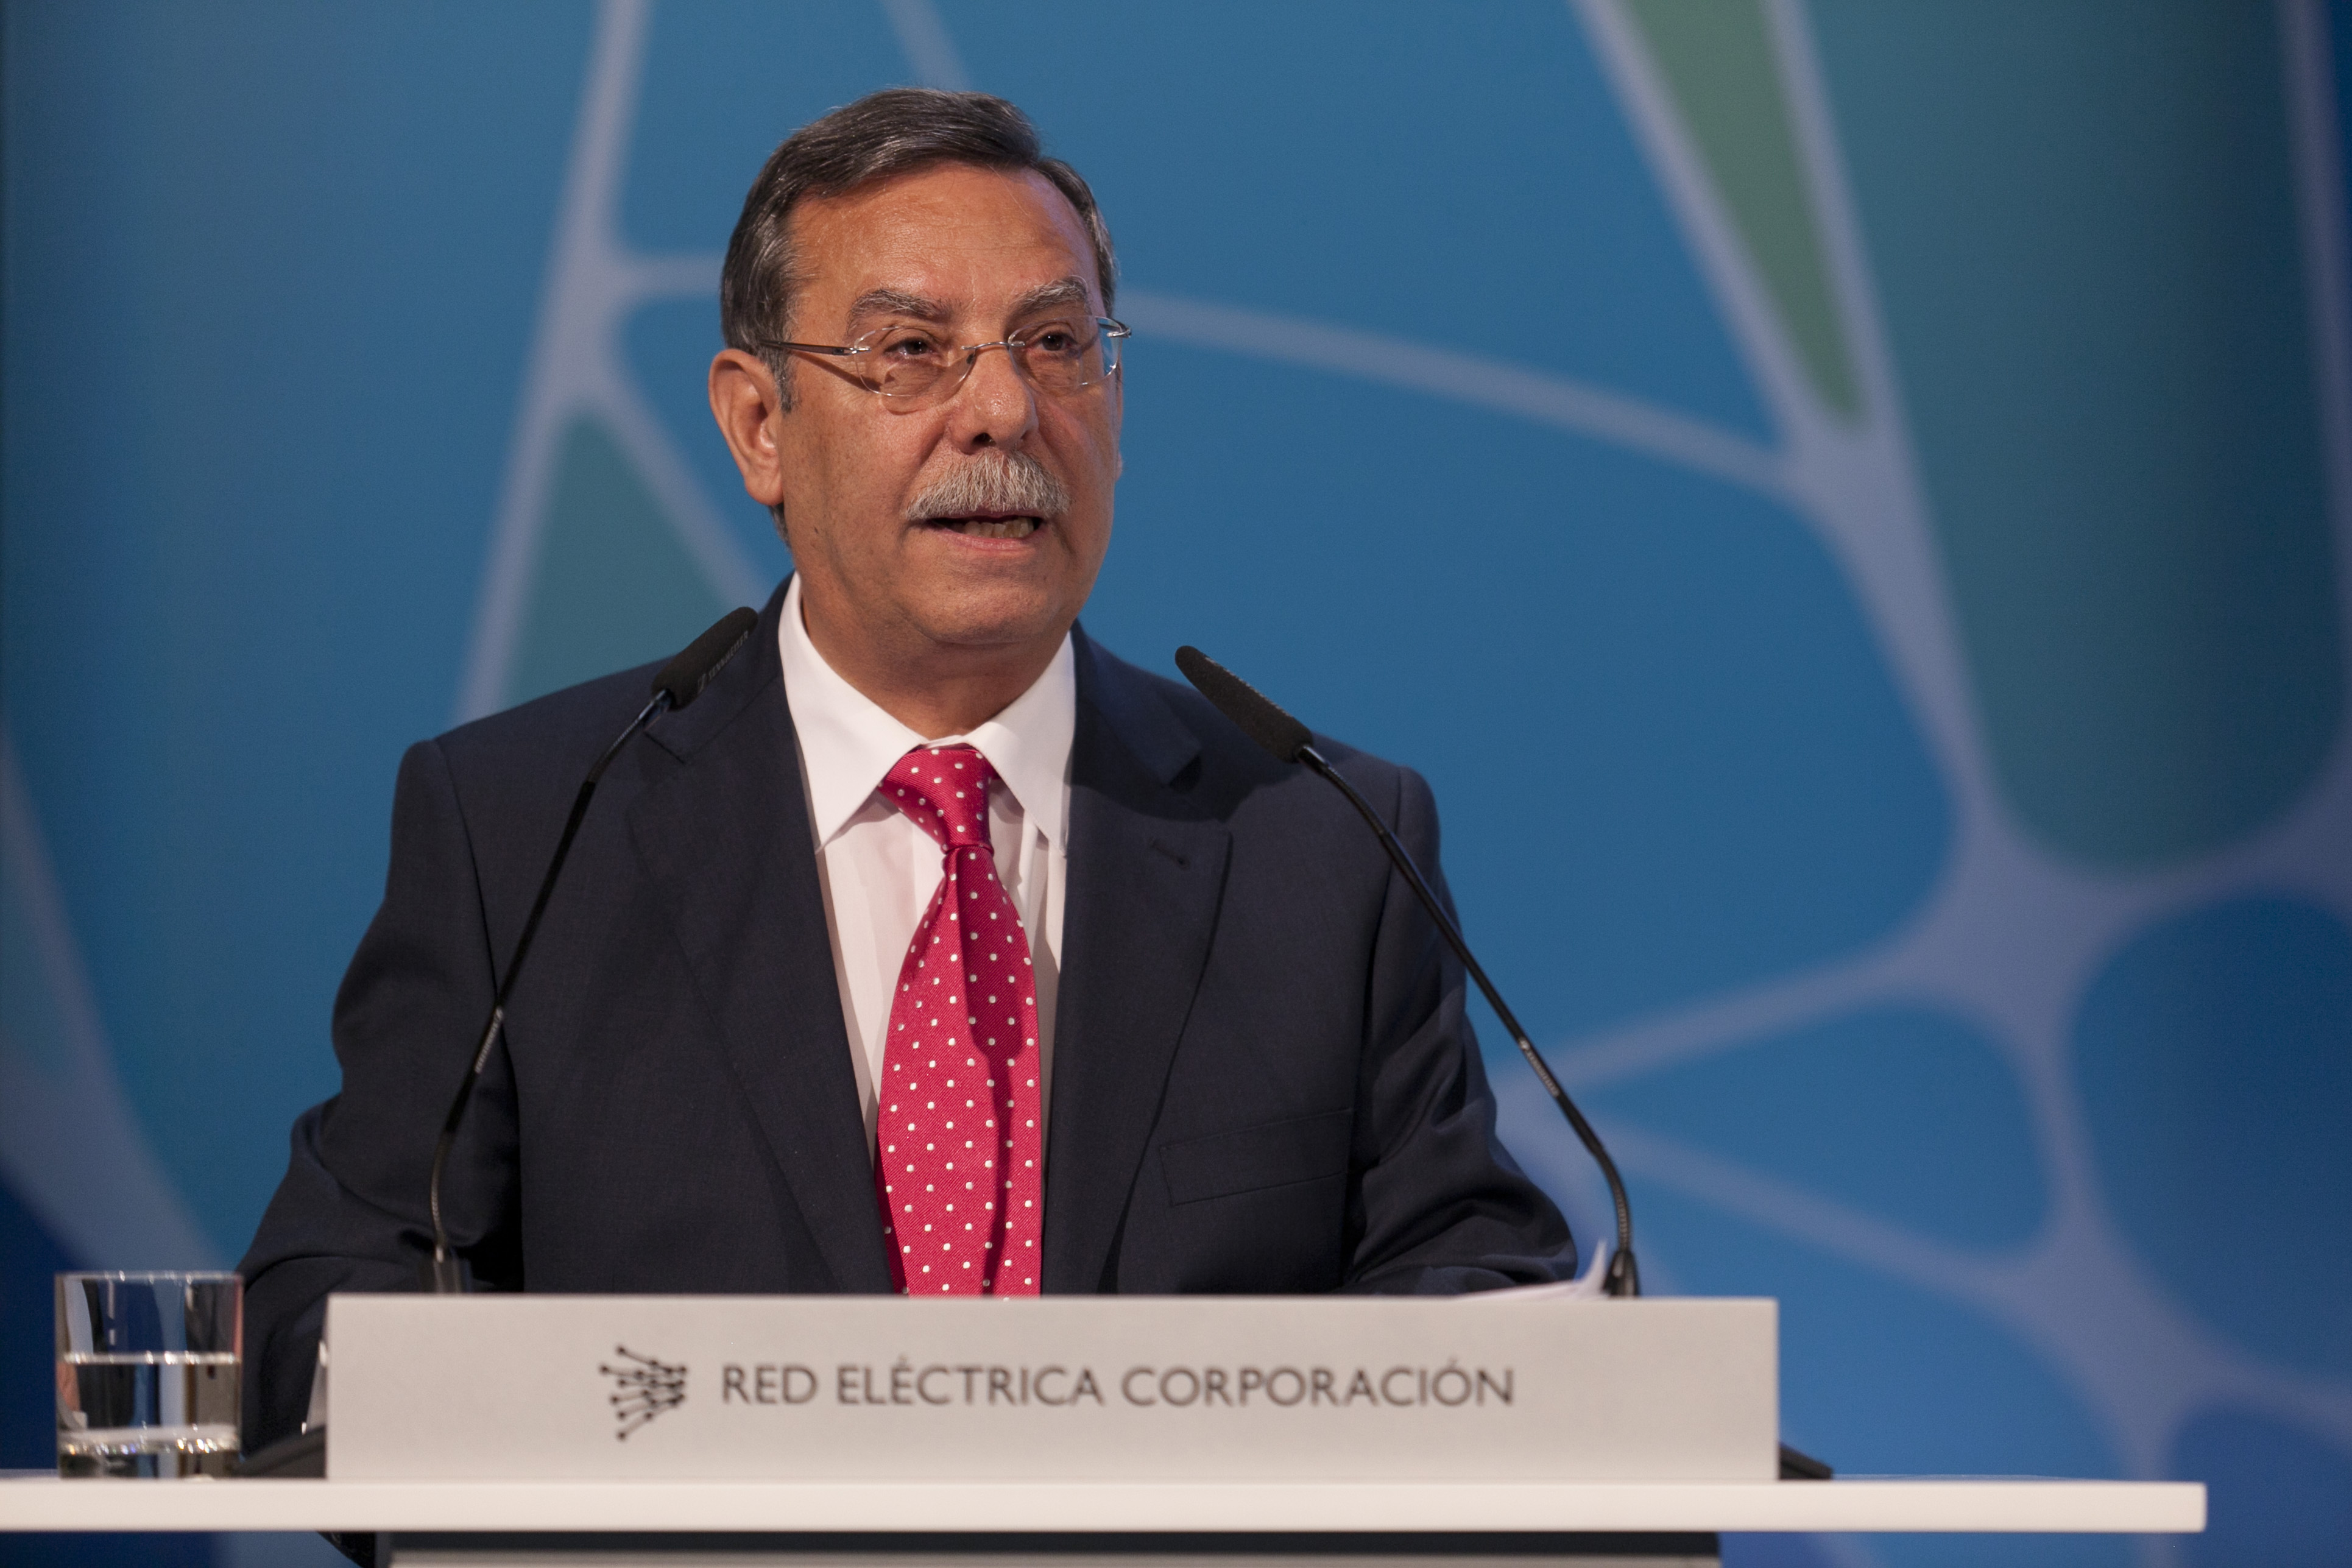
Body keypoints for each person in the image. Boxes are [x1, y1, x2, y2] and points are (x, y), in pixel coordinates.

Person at [238, 88, 1575, 1451]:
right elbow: (326, 1304)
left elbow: (1471, 1294)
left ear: (1113, 401)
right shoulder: (527, 831)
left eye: (1055, 344)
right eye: (911, 351)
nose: (1000, 409)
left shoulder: (1321, 841)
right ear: (760, 425)